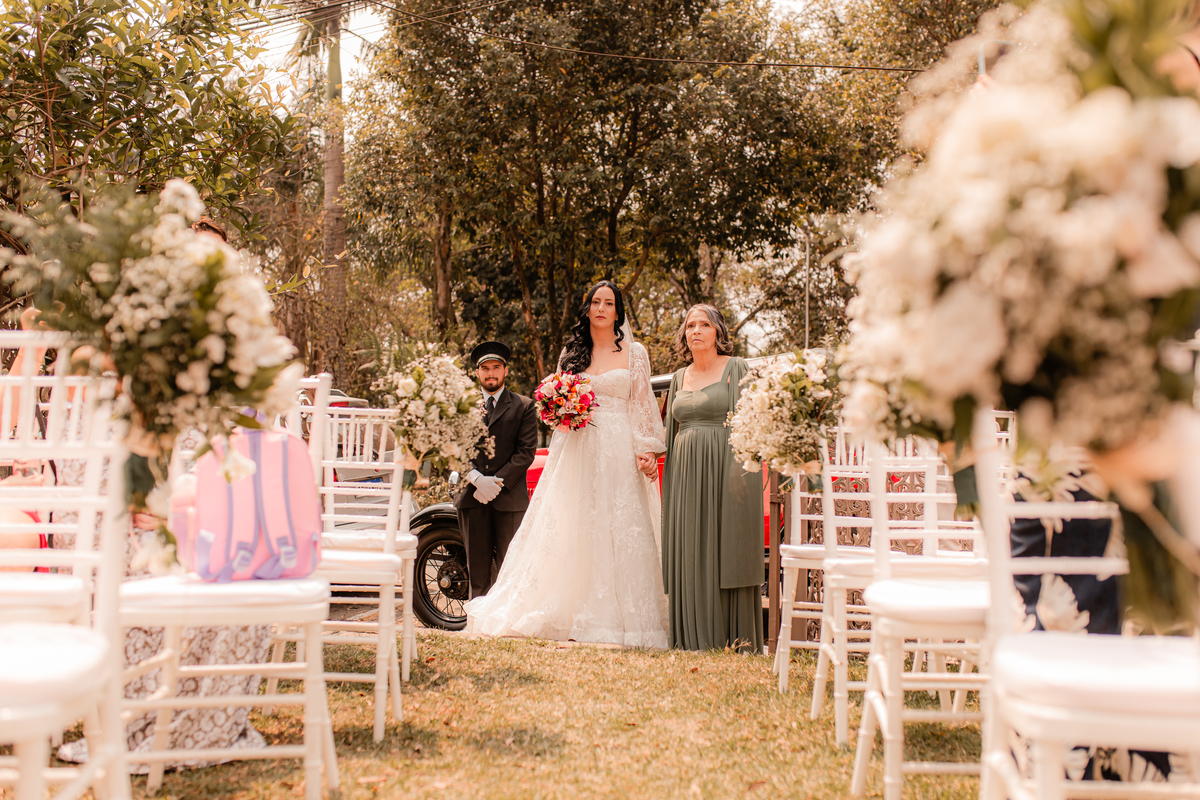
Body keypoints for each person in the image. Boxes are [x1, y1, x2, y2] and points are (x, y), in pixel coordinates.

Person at [465, 280, 669, 647]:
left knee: (619, 524)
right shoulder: (572, 351)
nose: (602, 308)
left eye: (609, 303)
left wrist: (647, 448)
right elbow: (553, 405)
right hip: (577, 448)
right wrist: (561, 410)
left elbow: (642, 403)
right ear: (588, 308)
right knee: (575, 522)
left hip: (619, 448)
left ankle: (626, 619)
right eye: (596, 302)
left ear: (618, 311)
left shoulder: (635, 353)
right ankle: (567, 610)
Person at [660, 304, 763, 652]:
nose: (697, 331)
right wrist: (653, 455)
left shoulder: (735, 368)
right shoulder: (678, 377)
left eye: (704, 324)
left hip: (725, 467)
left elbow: (749, 424)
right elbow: (668, 433)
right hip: (686, 472)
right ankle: (692, 637)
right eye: (690, 325)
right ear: (684, 334)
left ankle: (732, 639)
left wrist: (739, 471)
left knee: (726, 545)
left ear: (718, 331)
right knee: (690, 545)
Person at [454, 340, 538, 598]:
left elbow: (525, 453)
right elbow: (451, 448)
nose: (491, 373)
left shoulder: (524, 405)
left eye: (496, 367)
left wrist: (495, 483)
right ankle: (477, 626)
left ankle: (503, 625)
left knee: (509, 568)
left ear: (506, 371)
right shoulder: (461, 405)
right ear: (477, 373)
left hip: (509, 498)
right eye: (485, 368)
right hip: (471, 496)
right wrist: (478, 480)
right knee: (476, 570)